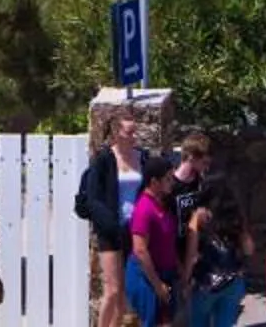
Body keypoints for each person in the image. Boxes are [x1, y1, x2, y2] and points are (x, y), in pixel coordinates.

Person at [76, 107, 149, 327]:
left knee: (126, 291)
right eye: (130, 132)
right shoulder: (104, 160)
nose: (134, 136)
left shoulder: (142, 158)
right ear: (116, 133)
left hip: (135, 230)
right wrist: (108, 224)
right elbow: (94, 199)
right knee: (112, 290)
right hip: (110, 230)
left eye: (135, 131)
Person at [123, 157, 179, 327]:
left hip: (165, 275)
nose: (172, 182)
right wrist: (157, 285)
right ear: (154, 182)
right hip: (146, 279)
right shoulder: (144, 209)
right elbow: (140, 250)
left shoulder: (162, 204)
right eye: (168, 179)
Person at [183, 181, 249, 327]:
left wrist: (185, 281)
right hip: (233, 282)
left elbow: (192, 256)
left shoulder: (200, 219)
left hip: (206, 284)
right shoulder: (234, 218)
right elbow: (249, 249)